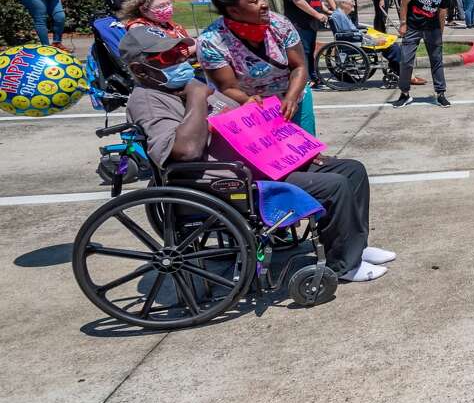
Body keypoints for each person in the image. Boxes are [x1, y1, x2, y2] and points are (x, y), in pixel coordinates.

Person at [119, 28, 392, 283]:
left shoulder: (184, 85)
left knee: (351, 170)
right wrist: (197, 97)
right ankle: (345, 265)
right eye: (168, 56)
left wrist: (299, 152)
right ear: (140, 70)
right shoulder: (148, 98)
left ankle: (355, 246)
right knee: (333, 185)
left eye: (181, 52)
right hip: (228, 180)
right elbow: (185, 151)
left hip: (259, 164)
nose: (180, 60)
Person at [191, 0, 316, 134]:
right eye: (254, 1)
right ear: (233, 10)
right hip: (252, 107)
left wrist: (292, 98)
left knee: (308, 154)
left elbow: (299, 67)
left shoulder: (280, 24)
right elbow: (227, 87)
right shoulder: (211, 42)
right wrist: (249, 101)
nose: (264, 4)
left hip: (293, 96)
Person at [391, 0, 461, 108]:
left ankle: (440, 93)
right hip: (413, 27)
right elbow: (404, 2)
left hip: (432, 29)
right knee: (405, 60)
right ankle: (404, 94)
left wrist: (440, 33)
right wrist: (403, 23)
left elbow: (442, 14)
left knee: (436, 61)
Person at [280, 0, 330, 88]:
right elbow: (298, 1)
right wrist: (317, 14)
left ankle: (312, 76)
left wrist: (326, 10)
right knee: (302, 51)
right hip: (299, 22)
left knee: (309, 50)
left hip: (310, 23)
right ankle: (305, 80)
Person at [119, 0, 195, 53]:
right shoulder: (139, 28)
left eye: (168, 3)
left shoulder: (164, 23)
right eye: (161, 6)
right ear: (143, 9)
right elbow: (163, 54)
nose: (168, 8)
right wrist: (195, 47)